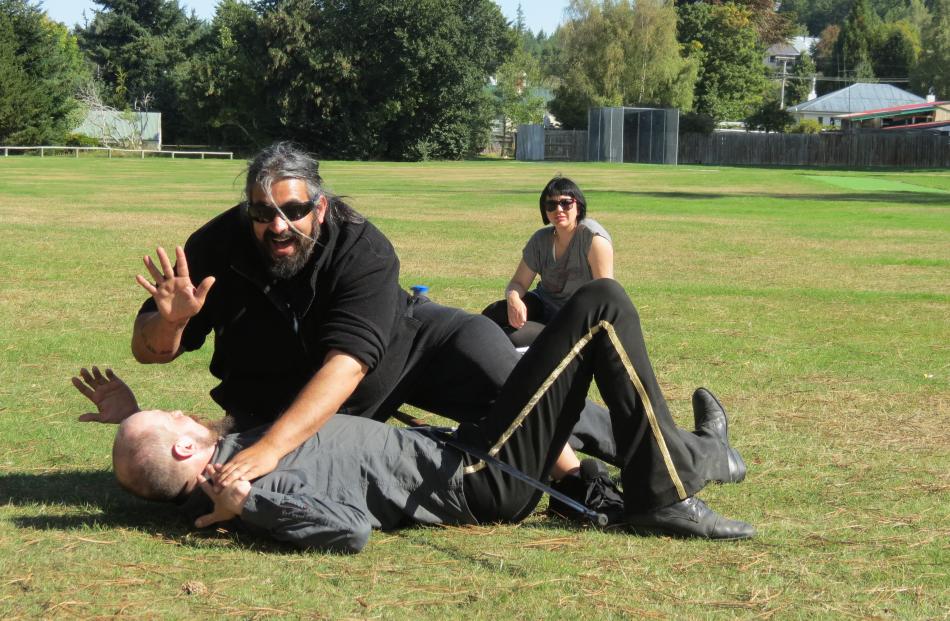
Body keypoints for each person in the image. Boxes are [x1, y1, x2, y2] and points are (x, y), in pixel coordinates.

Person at [125, 142, 624, 519]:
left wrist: (269, 450)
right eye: (261, 213)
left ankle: (595, 471)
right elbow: (149, 351)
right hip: (284, 402)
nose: (277, 227)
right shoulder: (217, 247)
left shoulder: (362, 245)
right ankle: (586, 472)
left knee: (493, 359)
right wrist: (171, 322)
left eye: (293, 211)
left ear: (318, 207)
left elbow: (348, 364)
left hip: (395, 350)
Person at [78, 280, 755, 553]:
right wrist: (251, 509)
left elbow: (169, 464)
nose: (183, 409)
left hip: (463, 451)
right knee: (599, 306)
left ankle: (701, 458)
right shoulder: (247, 488)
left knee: (560, 370)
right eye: (173, 418)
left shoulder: (230, 452)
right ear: (182, 456)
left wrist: (134, 417)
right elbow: (349, 532)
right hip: (482, 477)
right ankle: (665, 492)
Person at [482, 177, 613, 347]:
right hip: (544, 304)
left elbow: (606, 295)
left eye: (566, 203)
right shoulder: (541, 239)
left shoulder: (593, 240)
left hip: (575, 317)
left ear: (578, 206)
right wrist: (513, 298)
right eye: (551, 205)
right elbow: (518, 282)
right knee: (491, 315)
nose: (558, 209)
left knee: (511, 337)